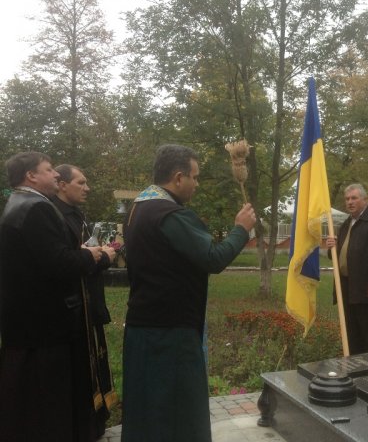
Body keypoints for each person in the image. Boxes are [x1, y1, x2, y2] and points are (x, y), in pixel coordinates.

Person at [121, 144, 256, 442]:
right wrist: (241, 230)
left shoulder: (137, 209)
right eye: (194, 177)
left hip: (143, 327)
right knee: (178, 413)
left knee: (148, 409)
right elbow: (213, 259)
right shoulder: (170, 214)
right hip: (170, 334)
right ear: (178, 177)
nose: (196, 184)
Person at [0, 152, 114, 441]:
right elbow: (59, 263)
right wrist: (92, 256)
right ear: (31, 176)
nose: (55, 175)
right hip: (43, 324)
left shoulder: (19, 203)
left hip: (27, 321)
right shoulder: (37, 207)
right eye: (49, 170)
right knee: (45, 401)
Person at [53, 164, 118, 437]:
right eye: (81, 182)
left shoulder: (77, 215)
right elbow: (66, 262)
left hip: (90, 303)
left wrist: (103, 255)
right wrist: (101, 256)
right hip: (73, 309)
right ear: (61, 184)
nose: (87, 188)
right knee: (81, 371)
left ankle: (96, 421)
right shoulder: (55, 216)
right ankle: (84, 426)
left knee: (96, 364)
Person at [326, 183, 368, 356]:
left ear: (365, 200)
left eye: (354, 198)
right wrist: (331, 247)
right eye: (347, 199)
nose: (350, 202)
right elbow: (341, 253)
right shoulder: (347, 223)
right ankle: (355, 369)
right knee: (352, 335)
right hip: (348, 289)